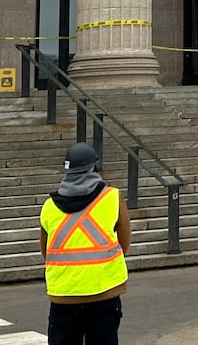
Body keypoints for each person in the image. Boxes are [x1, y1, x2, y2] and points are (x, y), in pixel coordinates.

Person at [40, 141, 132, 345]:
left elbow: (47, 251)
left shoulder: (49, 207)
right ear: (94, 168)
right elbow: (124, 242)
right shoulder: (112, 198)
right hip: (104, 294)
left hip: (63, 296)